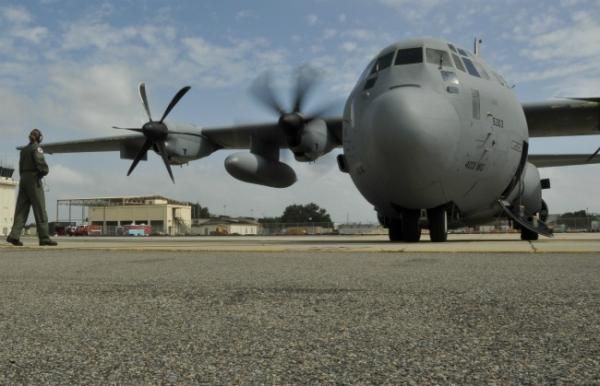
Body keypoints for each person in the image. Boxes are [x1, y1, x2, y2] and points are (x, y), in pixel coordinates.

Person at [6, 129, 57, 246]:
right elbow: (40, 162)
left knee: (21, 209)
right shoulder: (36, 148)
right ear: (39, 138)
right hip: (34, 179)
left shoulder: (23, 150)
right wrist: (43, 171)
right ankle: (44, 237)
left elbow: (20, 166)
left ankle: (14, 235)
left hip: (23, 178)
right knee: (40, 209)